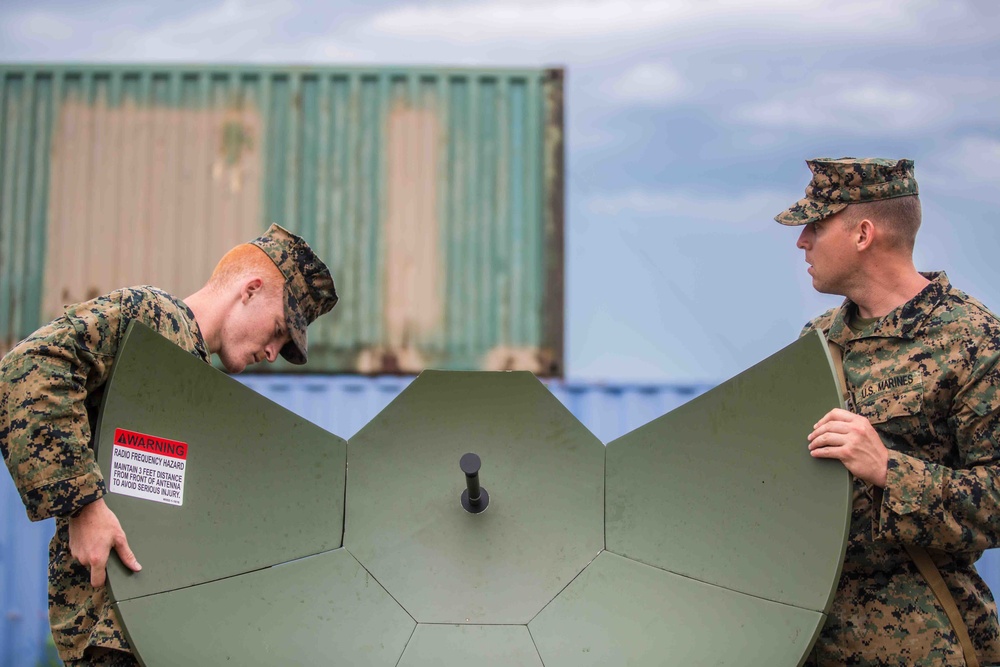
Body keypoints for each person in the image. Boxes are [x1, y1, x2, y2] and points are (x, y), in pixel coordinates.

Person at [0, 223, 338, 666]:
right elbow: (29, 368)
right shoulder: (154, 320)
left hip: (163, 631)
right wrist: (84, 505)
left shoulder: (198, 383)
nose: (273, 352)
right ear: (250, 290)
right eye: (278, 330)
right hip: (116, 630)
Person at [775, 157, 1000, 666]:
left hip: (924, 645)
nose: (802, 241)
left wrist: (890, 471)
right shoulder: (817, 339)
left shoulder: (975, 341)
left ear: (863, 234)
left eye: (815, 224)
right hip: (806, 637)